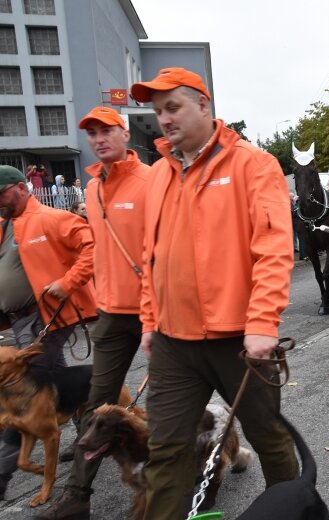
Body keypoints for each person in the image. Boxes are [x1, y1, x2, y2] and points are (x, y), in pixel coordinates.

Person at [130, 67, 298, 518]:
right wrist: (150, 321)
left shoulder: (254, 165)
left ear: (204, 105)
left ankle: (294, 508)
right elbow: (152, 256)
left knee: (268, 437)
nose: (164, 119)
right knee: (165, 449)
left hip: (239, 341)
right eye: (158, 111)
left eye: (173, 107)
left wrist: (263, 324)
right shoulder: (159, 176)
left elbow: (273, 250)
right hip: (173, 343)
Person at [35, 106, 152, 519]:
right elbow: (98, 250)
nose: (99, 139)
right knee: (97, 405)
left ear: (125, 134)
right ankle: (76, 497)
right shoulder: (91, 189)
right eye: (92, 134)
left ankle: (179, 478)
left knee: (174, 400)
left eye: (107, 131)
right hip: (111, 314)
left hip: (154, 310)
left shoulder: (152, 182)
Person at [0, 165, 97, 500]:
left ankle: (2, 473)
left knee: (25, 392)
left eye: (1, 193)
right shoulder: (5, 225)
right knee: (54, 383)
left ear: (20, 188)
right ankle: (88, 435)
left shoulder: (52, 217)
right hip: (17, 321)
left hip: (47, 319)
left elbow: (91, 246)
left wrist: (68, 283)